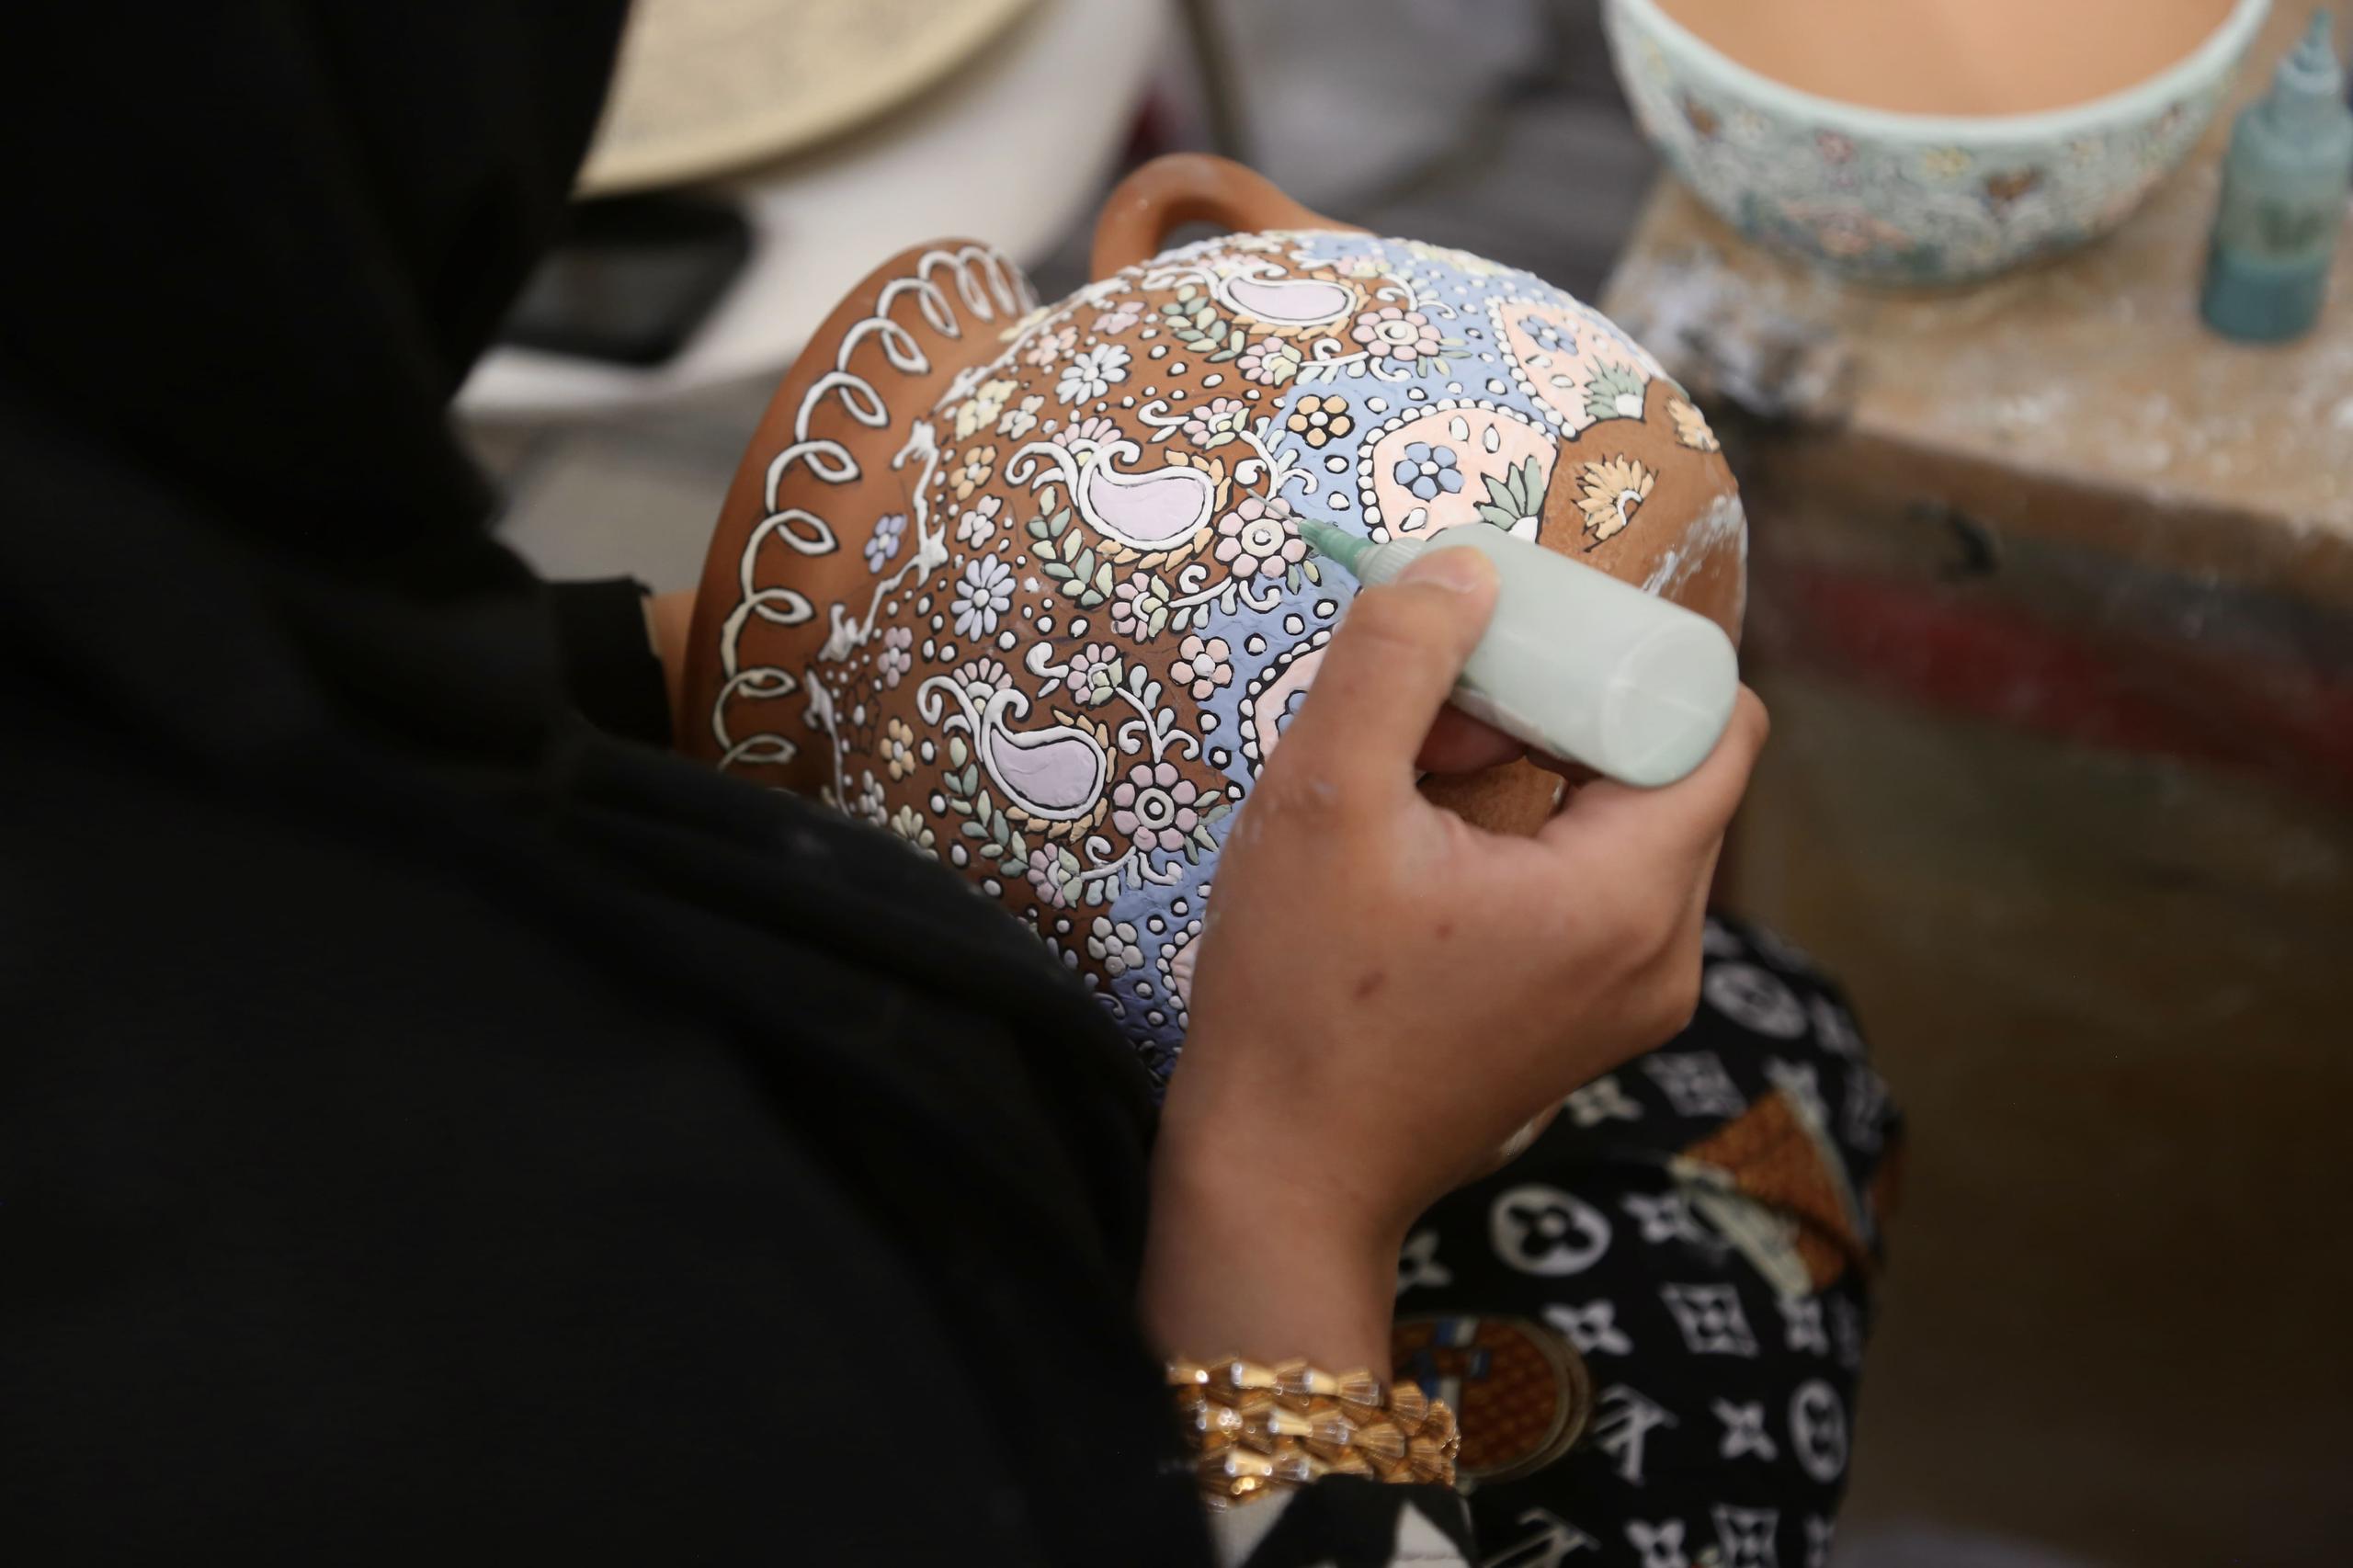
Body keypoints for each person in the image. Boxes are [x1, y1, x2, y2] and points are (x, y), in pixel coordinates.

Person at [0, 6, 1893, 1564]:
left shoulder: (128, 597)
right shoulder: (497, 1305)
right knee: (1744, 1050)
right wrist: (1286, 1201)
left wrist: (711, 651)